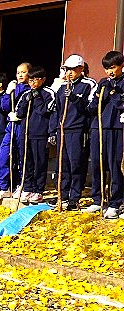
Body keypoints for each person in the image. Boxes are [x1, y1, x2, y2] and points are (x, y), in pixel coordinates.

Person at [49, 55, 96, 211]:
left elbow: (91, 108)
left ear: (81, 69)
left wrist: (76, 98)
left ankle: (74, 197)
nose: (69, 73)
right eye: (67, 69)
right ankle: (62, 194)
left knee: (76, 163)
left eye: (73, 70)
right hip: (62, 129)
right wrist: (53, 130)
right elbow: (56, 110)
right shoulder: (61, 87)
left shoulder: (88, 84)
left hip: (78, 129)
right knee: (62, 164)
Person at [89, 51, 124, 218]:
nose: (110, 71)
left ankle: (115, 202)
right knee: (97, 163)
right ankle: (98, 199)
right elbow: (93, 106)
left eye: (113, 67)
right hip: (100, 126)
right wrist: (100, 97)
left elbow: (121, 104)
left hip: (116, 127)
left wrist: (113, 93)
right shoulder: (103, 82)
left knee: (115, 164)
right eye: (107, 68)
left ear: (121, 66)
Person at [0, 63, 32, 203]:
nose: (20, 75)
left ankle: (21, 184)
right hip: (11, 125)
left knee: (21, 156)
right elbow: (5, 106)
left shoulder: (30, 89)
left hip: (22, 125)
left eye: (23, 72)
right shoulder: (14, 87)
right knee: (4, 155)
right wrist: (8, 93)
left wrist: (19, 113)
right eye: (18, 72)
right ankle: (4, 187)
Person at [13, 67, 55, 204]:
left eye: (36, 80)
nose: (33, 83)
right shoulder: (26, 93)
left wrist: (37, 98)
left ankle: (38, 190)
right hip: (26, 133)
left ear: (43, 80)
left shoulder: (48, 93)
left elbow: (46, 110)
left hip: (40, 133)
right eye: (31, 80)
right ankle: (27, 187)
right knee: (27, 161)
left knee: (40, 162)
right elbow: (19, 113)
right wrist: (26, 100)